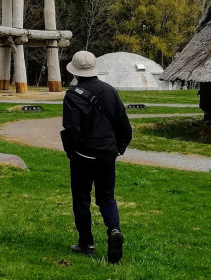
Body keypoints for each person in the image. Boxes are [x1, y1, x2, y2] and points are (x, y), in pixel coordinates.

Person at [61, 50, 132, 264]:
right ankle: (113, 230)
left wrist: (70, 151)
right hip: (107, 154)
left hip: (83, 155)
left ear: (75, 71)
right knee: (106, 197)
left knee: (82, 198)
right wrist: (119, 147)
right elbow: (123, 123)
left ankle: (86, 243)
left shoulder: (72, 95)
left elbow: (71, 128)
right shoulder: (110, 91)